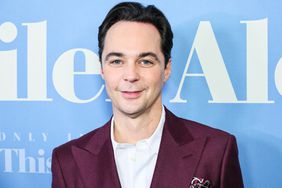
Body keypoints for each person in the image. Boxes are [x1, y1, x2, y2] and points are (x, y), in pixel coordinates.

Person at [51, 2, 244, 188]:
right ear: (102, 69)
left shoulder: (216, 151)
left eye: (145, 61)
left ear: (166, 69)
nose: (131, 75)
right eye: (117, 61)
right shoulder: (68, 162)